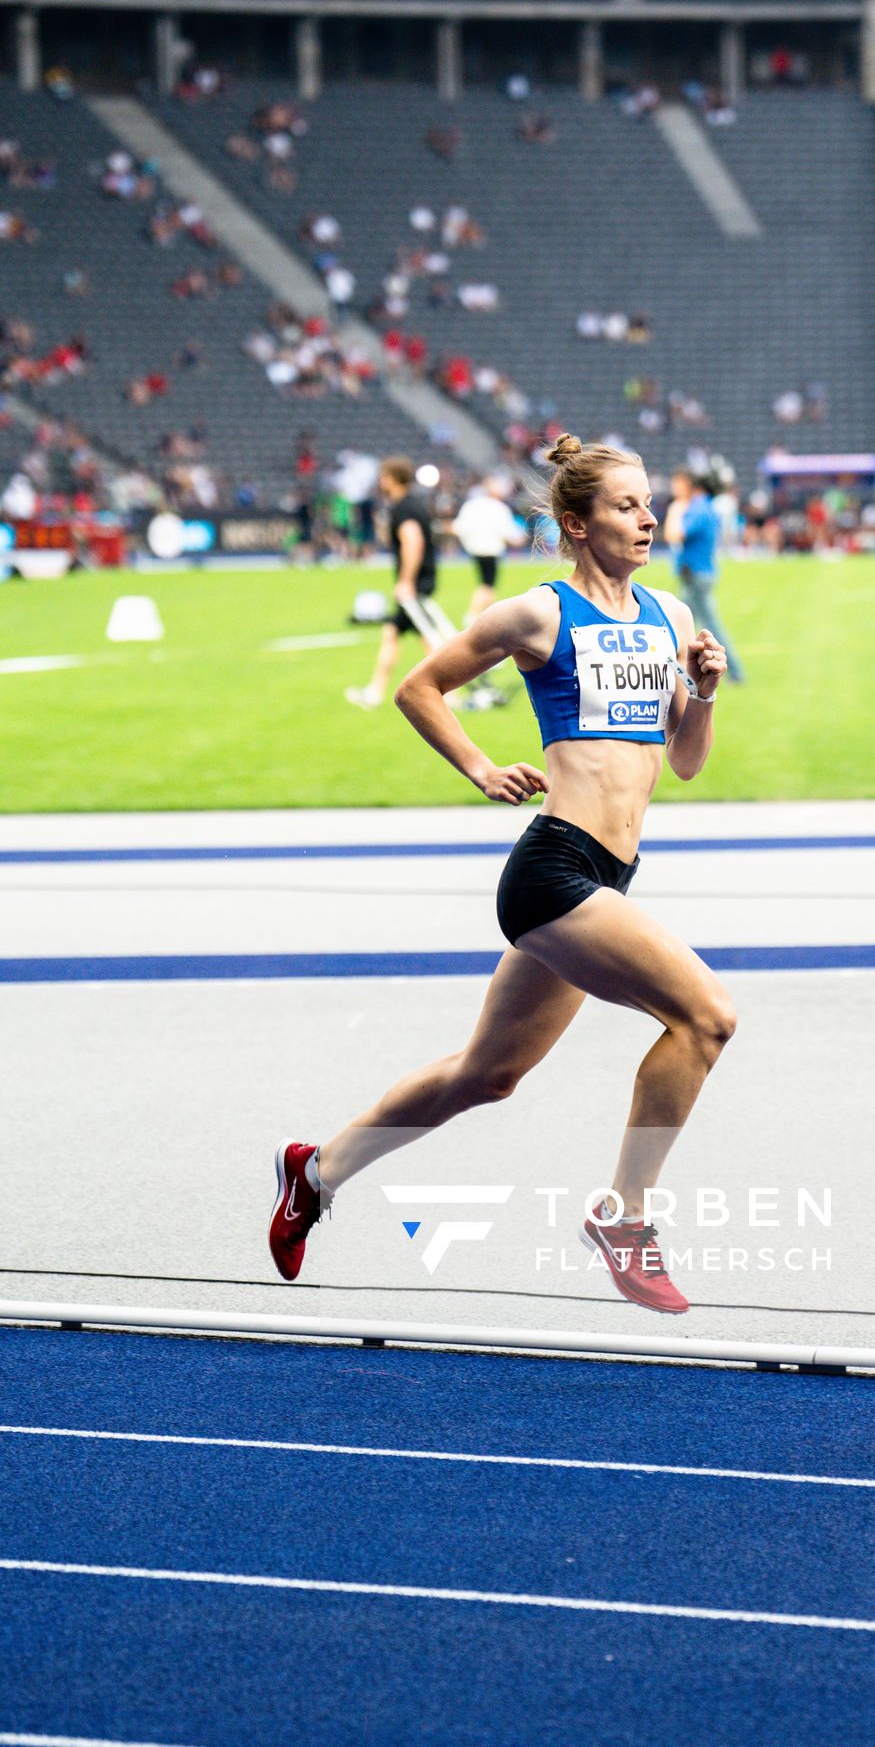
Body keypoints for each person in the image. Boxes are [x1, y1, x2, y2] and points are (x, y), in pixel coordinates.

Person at [273, 433, 734, 1315]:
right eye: (626, 505)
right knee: (706, 1018)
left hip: (609, 878)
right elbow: (419, 688)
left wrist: (704, 692)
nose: (647, 517)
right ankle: (623, 1217)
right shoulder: (539, 615)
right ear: (576, 522)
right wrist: (481, 768)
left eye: (648, 503)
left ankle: (316, 1174)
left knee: (486, 1075)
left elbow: (685, 762)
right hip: (555, 873)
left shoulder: (670, 620)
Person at [344, 456, 498, 713]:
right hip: (419, 584)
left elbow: (412, 543)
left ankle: (451, 692)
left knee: (431, 640)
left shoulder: (403, 509)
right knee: (397, 634)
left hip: (414, 586)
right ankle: (376, 692)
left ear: (392, 478)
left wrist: (405, 581)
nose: (380, 482)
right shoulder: (412, 505)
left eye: (383, 477)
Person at [664, 468, 746, 684]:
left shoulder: (698, 508)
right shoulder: (707, 507)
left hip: (696, 576)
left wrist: (675, 510)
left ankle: (734, 672)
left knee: (688, 624)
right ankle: (678, 669)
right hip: (700, 573)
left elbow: (674, 534)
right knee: (691, 624)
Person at [452, 474, 526, 627]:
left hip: (474, 549)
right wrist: (519, 539)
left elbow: (459, 527)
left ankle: (486, 618)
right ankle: (473, 615)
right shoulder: (499, 508)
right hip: (491, 550)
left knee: (487, 585)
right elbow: (508, 532)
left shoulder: (472, 505)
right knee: (487, 585)